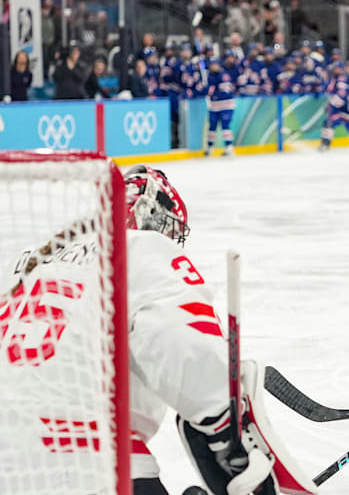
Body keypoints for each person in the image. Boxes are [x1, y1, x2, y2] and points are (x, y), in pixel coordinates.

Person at [6, 166, 319, 495]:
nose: (170, 238)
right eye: (169, 227)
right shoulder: (138, 249)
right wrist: (225, 430)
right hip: (83, 458)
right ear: (147, 213)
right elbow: (183, 341)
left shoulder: (23, 263)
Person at [205, 59, 237, 157]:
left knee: (225, 125)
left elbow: (224, 92)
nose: (214, 67)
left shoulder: (223, 75)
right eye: (212, 65)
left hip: (226, 104)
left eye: (216, 65)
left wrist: (212, 93)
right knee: (212, 126)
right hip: (214, 106)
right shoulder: (209, 76)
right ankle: (210, 147)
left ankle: (229, 146)